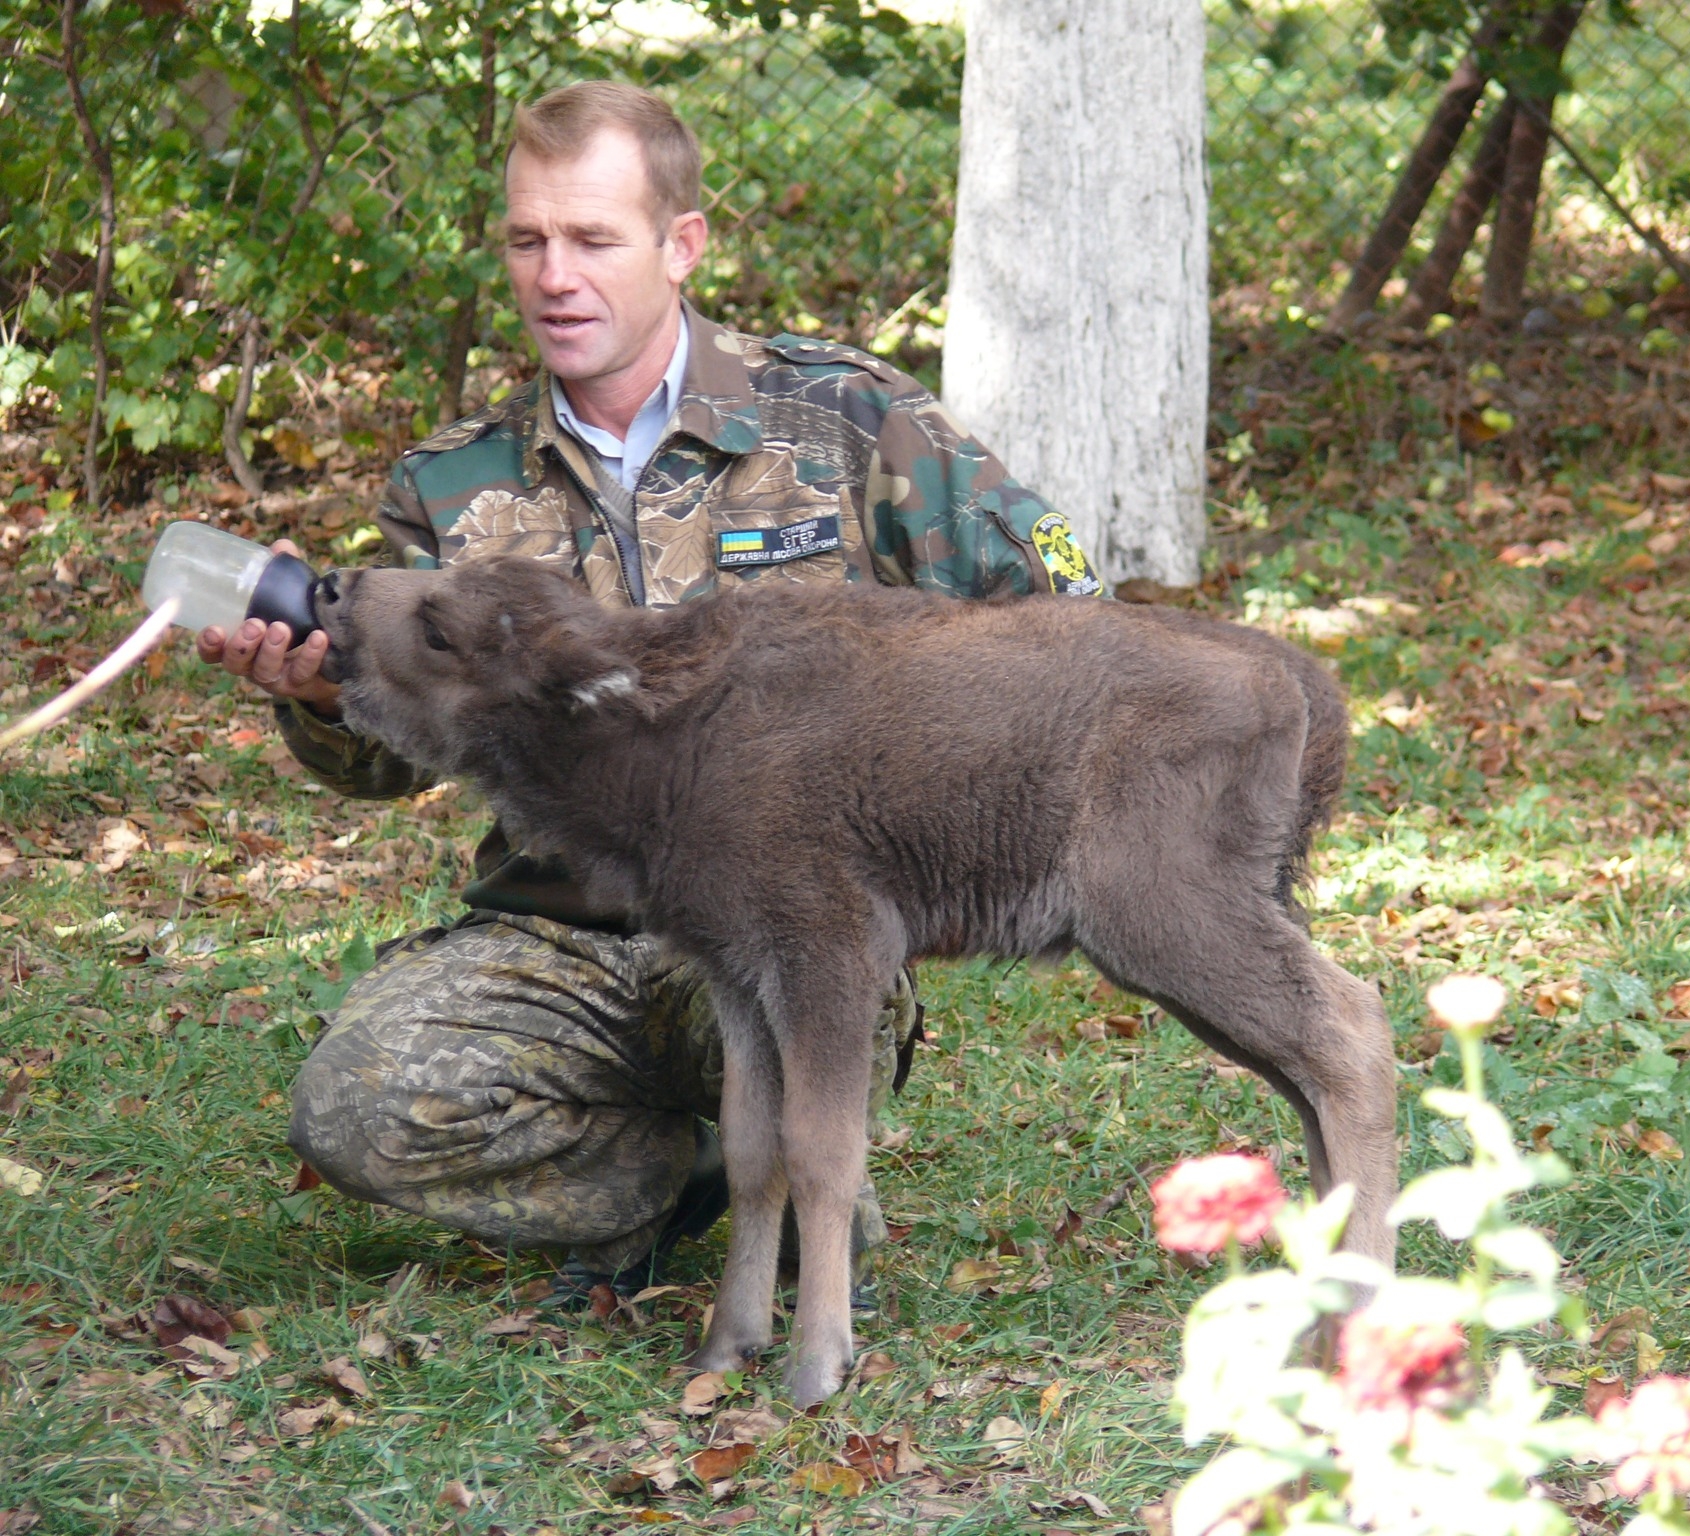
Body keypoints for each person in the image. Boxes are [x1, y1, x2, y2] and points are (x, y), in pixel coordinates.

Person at [197, 80, 1102, 1301]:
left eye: (591, 240)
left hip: (783, 909)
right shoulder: (451, 487)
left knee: (782, 984)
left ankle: (782, 1173)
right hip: (551, 926)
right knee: (357, 1110)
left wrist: (935, 824)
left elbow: (1058, 623)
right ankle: (685, 1190)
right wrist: (312, 699)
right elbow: (392, 762)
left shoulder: (842, 420)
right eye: (526, 240)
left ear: (682, 246)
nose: (553, 276)